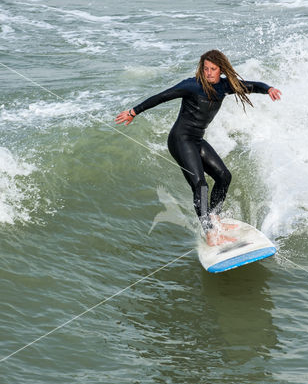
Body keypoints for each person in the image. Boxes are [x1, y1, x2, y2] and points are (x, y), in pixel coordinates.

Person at [116, 50, 282, 246]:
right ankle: (210, 233)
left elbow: (251, 86)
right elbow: (161, 97)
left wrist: (268, 88)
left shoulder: (224, 86)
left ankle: (214, 218)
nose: (209, 73)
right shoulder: (191, 85)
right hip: (180, 140)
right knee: (200, 185)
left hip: (197, 139)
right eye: (205, 69)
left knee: (223, 176)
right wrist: (133, 111)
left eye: (213, 69)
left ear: (221, 69)